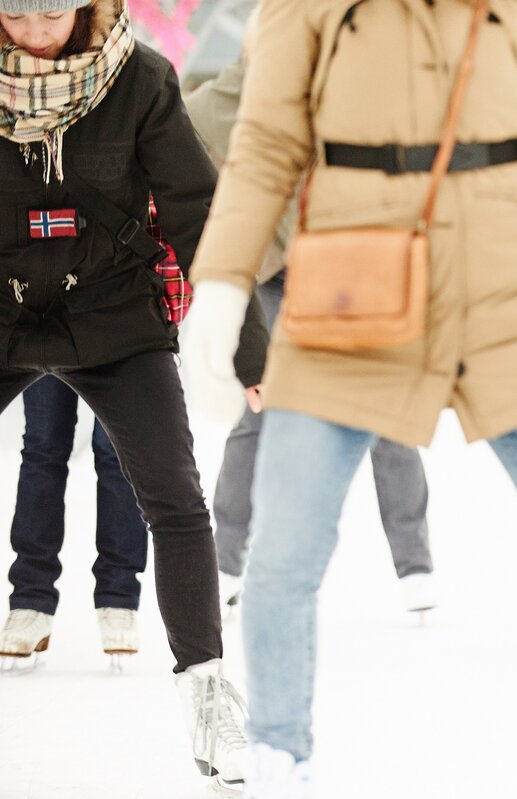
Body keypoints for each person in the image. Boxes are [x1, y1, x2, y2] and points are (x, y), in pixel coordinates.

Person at [180, 0, 517, 796]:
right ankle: (278, 757)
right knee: (285, 556)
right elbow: (264, 153)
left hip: (506, 296)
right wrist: (221, 291)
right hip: (347, 291)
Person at [0, 0, 261, 789]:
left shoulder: (138, 77)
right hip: (4, 308)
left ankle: (210, 693)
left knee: (176, 500)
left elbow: (196, 210)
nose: (36, 34)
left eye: (51, 15)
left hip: (113, 313)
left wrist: (248, 348)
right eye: (17, 16)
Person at [184, 44, 438, 619]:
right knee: (262, 406)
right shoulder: (261, 60)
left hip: (357, 261)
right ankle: (226, 558)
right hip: (279, 268)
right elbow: (193, 120)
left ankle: (415, 564)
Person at [3, 375, 147, 665]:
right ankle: (30, 600)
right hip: (45, 330)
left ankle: (118, 596)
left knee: (115, 448)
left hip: (115, 332)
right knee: (42, 445)